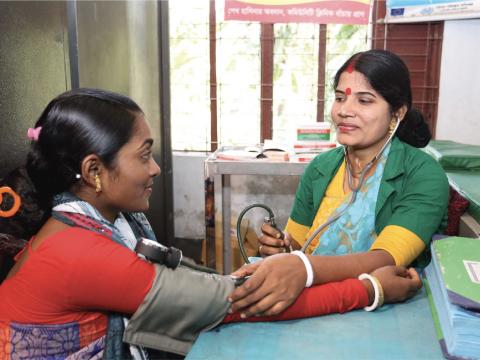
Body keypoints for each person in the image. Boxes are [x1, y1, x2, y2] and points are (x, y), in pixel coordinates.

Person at [0, 88, 422, 359]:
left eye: (365, 100)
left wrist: (256, 276)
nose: (157, 169)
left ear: (396, 114)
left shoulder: (106, 222)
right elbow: (234, 303)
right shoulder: (80, 252)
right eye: (144, 155)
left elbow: (198, 283)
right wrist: (372, 288)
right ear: (94, 171)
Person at [228, 49, 449, 318]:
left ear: (397, 113)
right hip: (311, 300)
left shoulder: (423, 175)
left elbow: (387, 258)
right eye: (340, 98)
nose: (345, 111)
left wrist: (302, 267)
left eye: (364, 101)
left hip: (384, 308)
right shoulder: (320, 168)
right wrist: (282, 249)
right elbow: (298, 244)